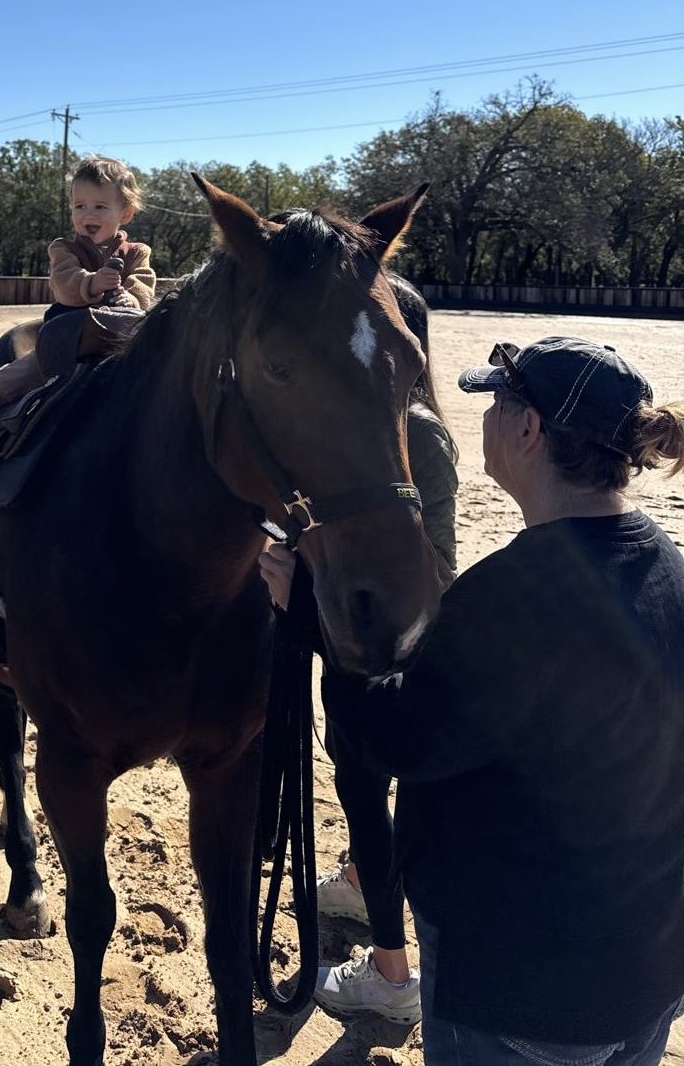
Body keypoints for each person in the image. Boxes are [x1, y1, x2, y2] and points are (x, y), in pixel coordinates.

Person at [261, 336, 684, 1065]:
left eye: (496, 402)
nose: (484, 418)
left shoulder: (512, 594)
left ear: (528, 430)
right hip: (644, 977)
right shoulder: (666, 568)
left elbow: (390, 738)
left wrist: (315, 616)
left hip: (520, 993)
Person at [261, 272, 459, 1026]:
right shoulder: (370, 427)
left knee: (368, 798)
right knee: (361, 791)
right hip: (356, 640)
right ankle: (354, 881)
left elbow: (429, 575)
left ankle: (391, 972)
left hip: (383, 653)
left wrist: (301, 586)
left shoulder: (416, 435)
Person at [0, 155, 156, 450]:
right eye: (79, 206)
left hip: (118, 336)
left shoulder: (137, 252)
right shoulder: (64, 248)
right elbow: (64, 282)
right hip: (69, 334)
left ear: (125, 213)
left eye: (100, 207)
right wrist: (91, 283)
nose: (87, 214)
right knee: (29, 370)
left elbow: (143, 282)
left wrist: (132, 297)